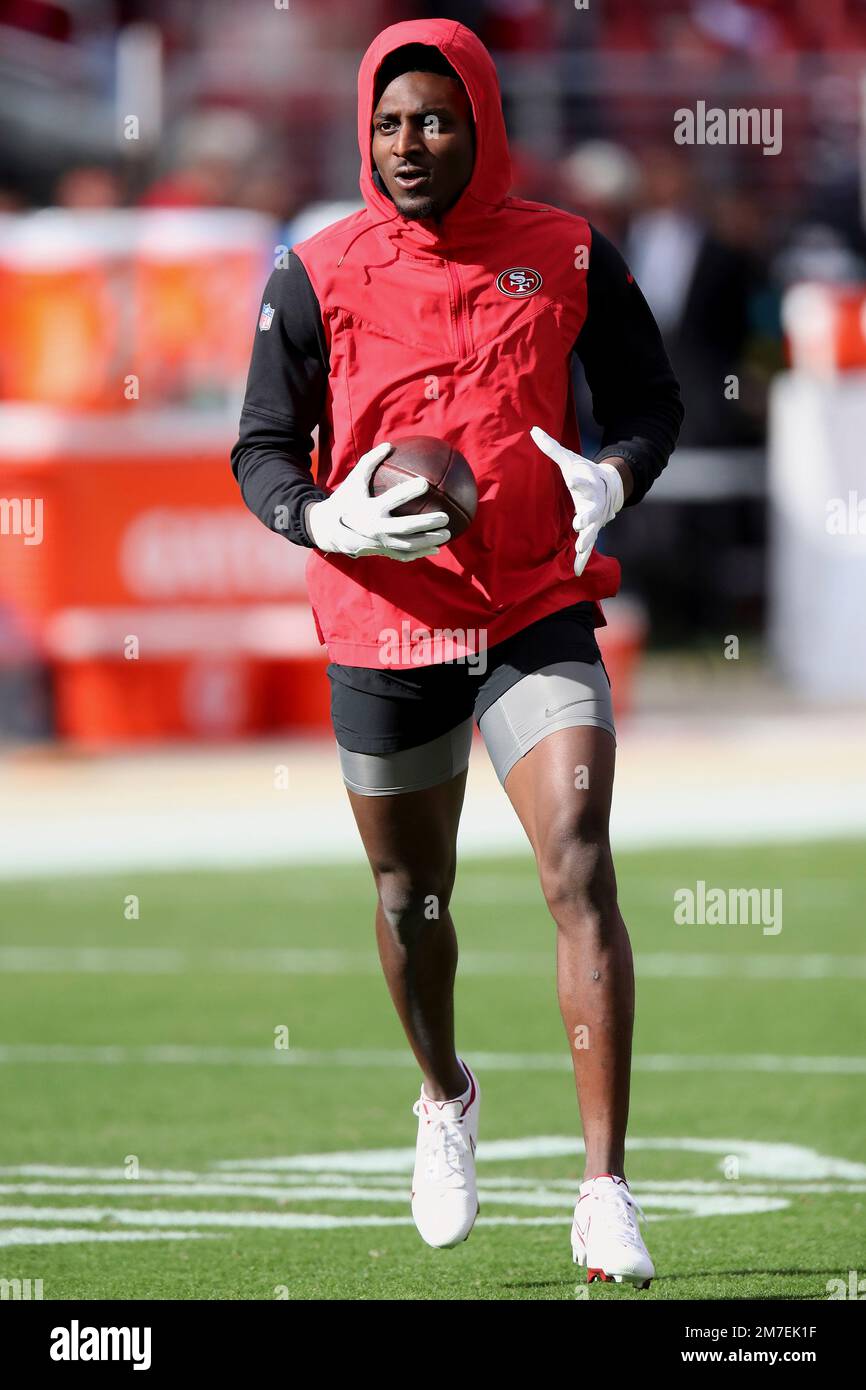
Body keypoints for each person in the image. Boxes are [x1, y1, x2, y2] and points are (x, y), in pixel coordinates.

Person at [231, 17, 683, 1287]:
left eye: (433, 118)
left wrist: (610, 477)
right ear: (362, 134)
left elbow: (651, 401)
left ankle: (603, 1189)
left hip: (533, 604)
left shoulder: (568, 249)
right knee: (407, 900)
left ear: (479, 119)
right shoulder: (311, 270)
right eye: (387, 122)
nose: (409, 142)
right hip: (383, 617)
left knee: (577, 865)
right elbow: (260, 448)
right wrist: (320, 515)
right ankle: (444, 1096)